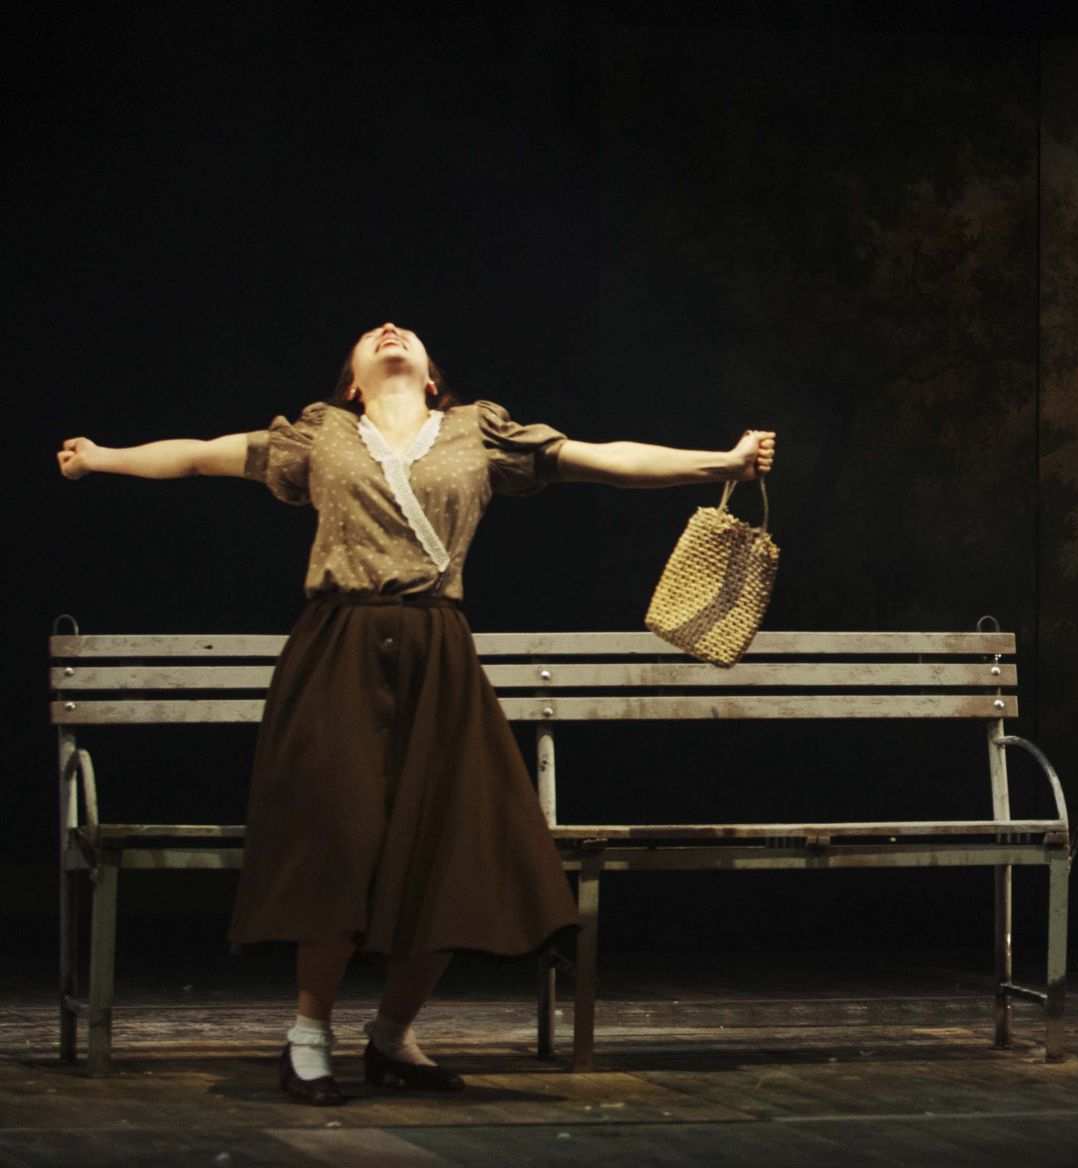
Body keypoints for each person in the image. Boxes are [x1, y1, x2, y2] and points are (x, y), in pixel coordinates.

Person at [57, 322, 777, 1105]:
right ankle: (307, 1036)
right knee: (336, 833)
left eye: (405, 333)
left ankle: (393, 1035)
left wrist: (724, 462)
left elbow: (604, 459)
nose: (390, 331)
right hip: (338, 648)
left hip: (438, 652)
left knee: (457, 843)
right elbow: (201, 454)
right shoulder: (320, 435)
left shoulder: (480, 432)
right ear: (352, 382)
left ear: (433, 377)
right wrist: (101, 456)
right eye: (372, 335)